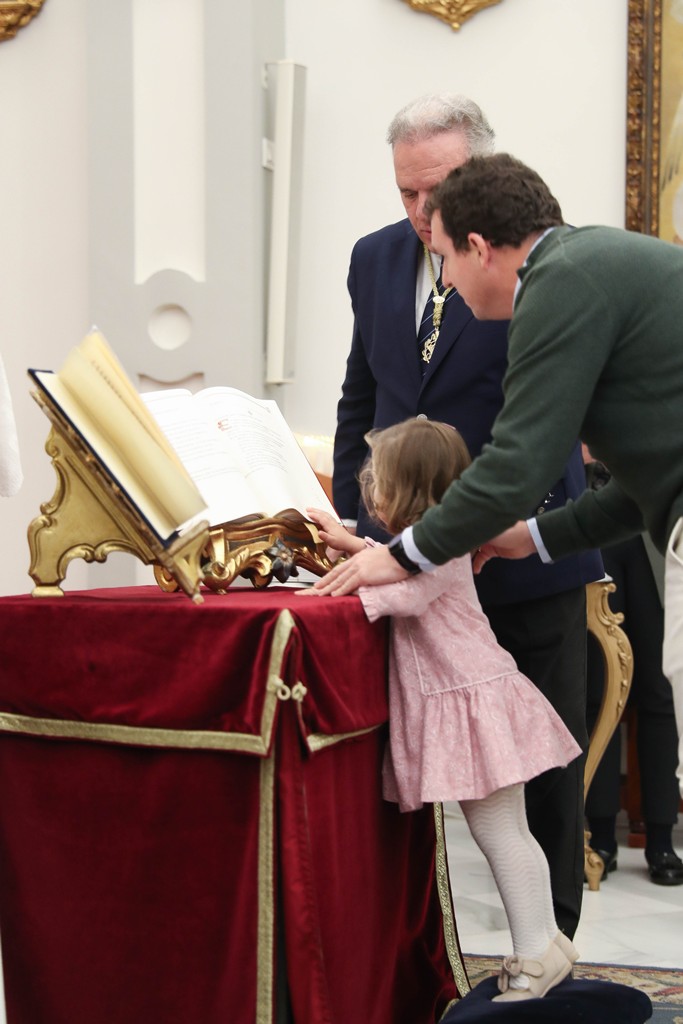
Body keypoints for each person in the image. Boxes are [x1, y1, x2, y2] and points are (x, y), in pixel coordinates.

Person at [313, 151, 683, 805]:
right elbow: (637, 491)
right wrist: (528, 538)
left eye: (446, 259)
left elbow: (516, 465)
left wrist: (399, 556)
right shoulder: (583, 265)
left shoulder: (556, 283)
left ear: (479, 248)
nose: (448, 284)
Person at [332, 93, 602, 938]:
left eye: (438, 188)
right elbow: (362, 400)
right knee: (403, 771)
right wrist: (358, 525)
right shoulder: (374, 258)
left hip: (520, 550)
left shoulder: (539, 260)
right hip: (402, 560)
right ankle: (415, 952)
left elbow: (548, 416)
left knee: (543, 772)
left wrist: (489, 528)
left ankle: (551, 951)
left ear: (482, 171)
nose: (422, 211)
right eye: (405, 190)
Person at [303, 418, 580, 1001]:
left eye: (379, 482)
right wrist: (355, 548)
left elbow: (408, 591)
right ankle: (549, 943)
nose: (372, 493)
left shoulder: (443, 543)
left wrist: (346, 589)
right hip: (476, 692)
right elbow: (401, 562)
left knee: (499, 831)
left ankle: (535, 953)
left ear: (403, 491)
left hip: (471, 698)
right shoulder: (438, 538)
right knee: (512, 829)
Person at [583, 454, 683, 885]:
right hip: (592, 516)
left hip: (654, 526)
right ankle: (601, 836)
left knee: (660, 691)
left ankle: (661, 839)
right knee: (599, 688)